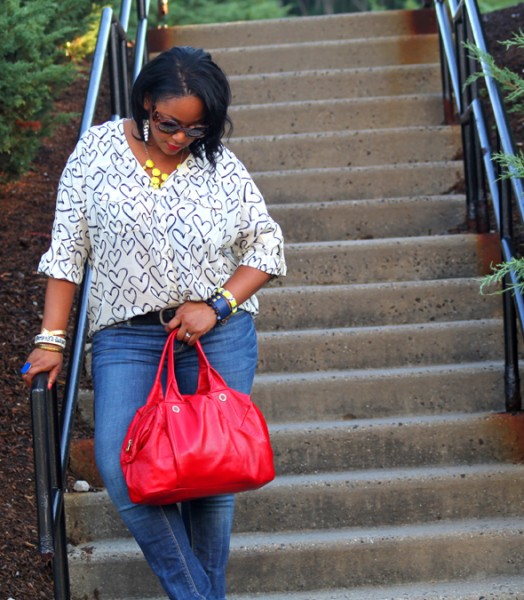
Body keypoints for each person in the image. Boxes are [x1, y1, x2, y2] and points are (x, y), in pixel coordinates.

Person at [21, 46, 286, 600]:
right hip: (127, 337)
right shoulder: (95, 152)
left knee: (212, 476)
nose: (180, 138)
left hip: (218, 336)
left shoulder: (219, 164)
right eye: (170, 123)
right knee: (123, 468)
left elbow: (267, 243)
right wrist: (52, 339)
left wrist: (215, 306)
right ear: (146, 101)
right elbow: (67, 250)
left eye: (197, 127)